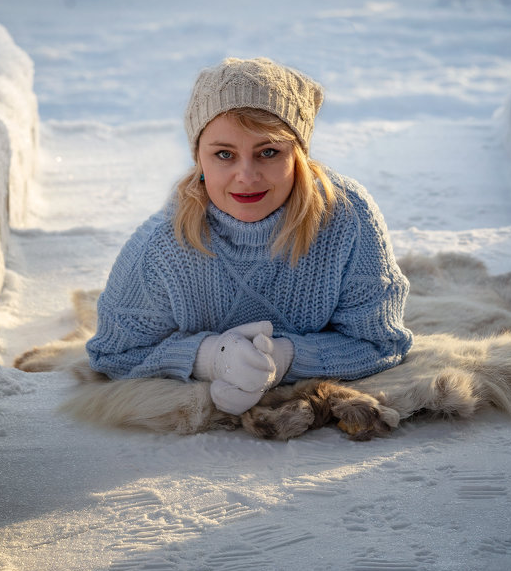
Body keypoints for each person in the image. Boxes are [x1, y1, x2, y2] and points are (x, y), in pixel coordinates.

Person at [86, 57, 413, 415]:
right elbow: (113, 352)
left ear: (299, 155)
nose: (246, 175)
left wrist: (286, 357)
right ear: (198, 157)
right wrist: (212, 358)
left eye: (268, 152)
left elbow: (380, 342)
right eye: (224, 154)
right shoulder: (161, 247)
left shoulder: (348, 219)